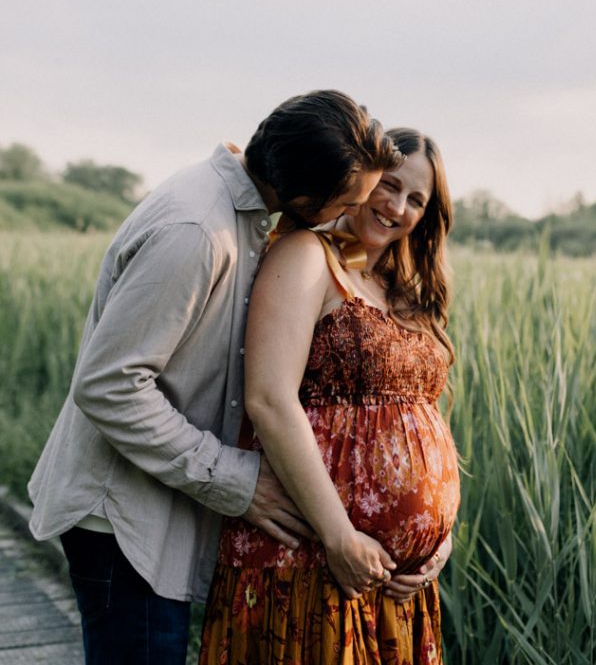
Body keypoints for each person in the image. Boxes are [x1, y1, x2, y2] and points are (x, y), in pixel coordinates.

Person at [28, 90, 402, 665]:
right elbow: (110, 386)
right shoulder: (198, 231)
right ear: (304, 195)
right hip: (122, 521)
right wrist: (235, 480)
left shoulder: (241, 216)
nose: (345, 218)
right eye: (344, 203)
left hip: (150, 512)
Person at [200, 127, 460, 665]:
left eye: (417, 200)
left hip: (394, 587)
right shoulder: (305, 255)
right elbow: (269, 399)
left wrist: (437, 541)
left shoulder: (398, 284)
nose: (397, 207)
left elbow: (422, 413)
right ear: (359, 180)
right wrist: (340, 537)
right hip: (312, 565)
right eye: (389, 185)